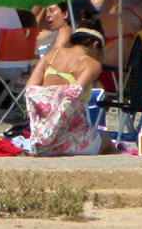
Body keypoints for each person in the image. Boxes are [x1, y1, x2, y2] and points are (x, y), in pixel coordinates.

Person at [23, 16, 119, 155]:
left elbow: (30, 89)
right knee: (106, 142)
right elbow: (73, 95)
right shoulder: (91, 65)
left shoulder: (51, 55)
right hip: (69, 138)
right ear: (96, 45)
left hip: (40, 140)